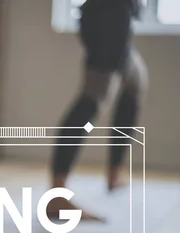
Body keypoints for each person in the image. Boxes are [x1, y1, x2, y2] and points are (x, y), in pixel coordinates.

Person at [47, 0, 149, 220]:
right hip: (107, 19)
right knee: (91, 103)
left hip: (117, 16)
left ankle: (115, 173)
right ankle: (57, 197)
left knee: (135, 81)